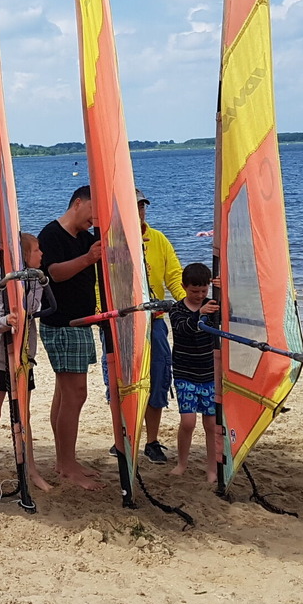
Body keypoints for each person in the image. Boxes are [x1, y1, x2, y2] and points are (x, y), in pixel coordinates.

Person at [38, 185, 105, 488]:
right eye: (92, 212)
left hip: (80, 323)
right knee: (76, 394)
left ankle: (64, 459)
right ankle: (67, 464)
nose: (94, 220)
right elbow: (53, 273)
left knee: (65, 394)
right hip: (62, 323)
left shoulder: (85, 238)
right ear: (78, 203)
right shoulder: (52, 234)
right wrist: (88, 259)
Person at [0, 233, 55, 494]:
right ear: (23, 256)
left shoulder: (37, 281)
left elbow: (32, 309)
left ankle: (31, 470)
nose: (42, 254)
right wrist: (7, 320)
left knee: (24, 415)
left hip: (24, 356)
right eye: (37, 250)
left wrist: (28, 293)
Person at [138, 192, 184, 465]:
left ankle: (151, 441)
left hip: (154, 321)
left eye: (142, 206)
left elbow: (174, 276)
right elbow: (99, 282)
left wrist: (188, 304)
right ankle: (123, 438)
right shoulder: (110, 241)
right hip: (122, 323)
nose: (139, 211)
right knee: (121, 383)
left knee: (158, 379)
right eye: (134, 207)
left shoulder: (158, 239)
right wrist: (99, 311)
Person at [167, 263, 222, 482]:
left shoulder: (213, 305)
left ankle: (212, 468)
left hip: (209, 373)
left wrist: (222, 290)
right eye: (194, 291)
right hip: (185, 372)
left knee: (211, 424)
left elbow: (231, 314)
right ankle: (182, 463)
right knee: (188, 422)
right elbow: (183, 329)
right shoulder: (177, 310)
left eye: (203, 291)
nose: (199, 295)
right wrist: (199, 313)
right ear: (184, 287)